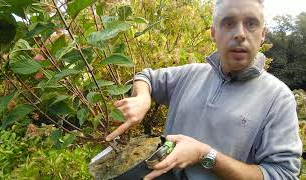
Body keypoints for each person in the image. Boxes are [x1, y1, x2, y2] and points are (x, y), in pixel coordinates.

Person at [106, 0, 303, 179]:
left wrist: (205, 155)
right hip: (162, 173)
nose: (240, 34)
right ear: (213, 33)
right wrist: (142, 97)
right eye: (228, 23)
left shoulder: (278, 98)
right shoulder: (191, 74)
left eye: (251, 23)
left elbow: (282, 174)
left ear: (262, 34)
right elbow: (145, 77)